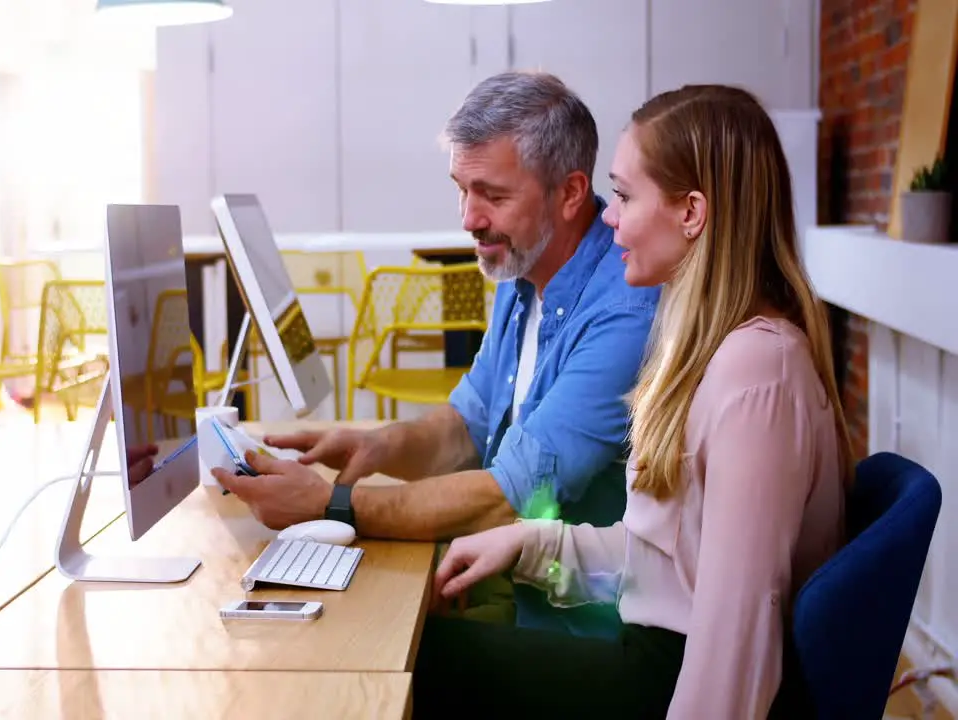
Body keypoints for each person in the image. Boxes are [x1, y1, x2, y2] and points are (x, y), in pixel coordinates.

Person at [408, 84, 853, 719]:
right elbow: (666, 568)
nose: (608, 217)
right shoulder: (709, 350)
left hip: (669, 680)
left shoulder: (759, 372)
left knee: (422, 664)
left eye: (622, 196)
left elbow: (737, 640)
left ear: (691, 213)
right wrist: (532, 545)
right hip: (652, 653)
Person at [211, 71, 661, 637]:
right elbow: (466, 428)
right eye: (462, 189)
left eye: (493, 195)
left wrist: (332, 505)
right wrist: (374, 447)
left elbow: (512, 499)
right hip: (523, 599)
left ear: (570, 193)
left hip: (584, 632)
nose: (469, 219)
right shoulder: (522, 270)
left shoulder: (625, 311)